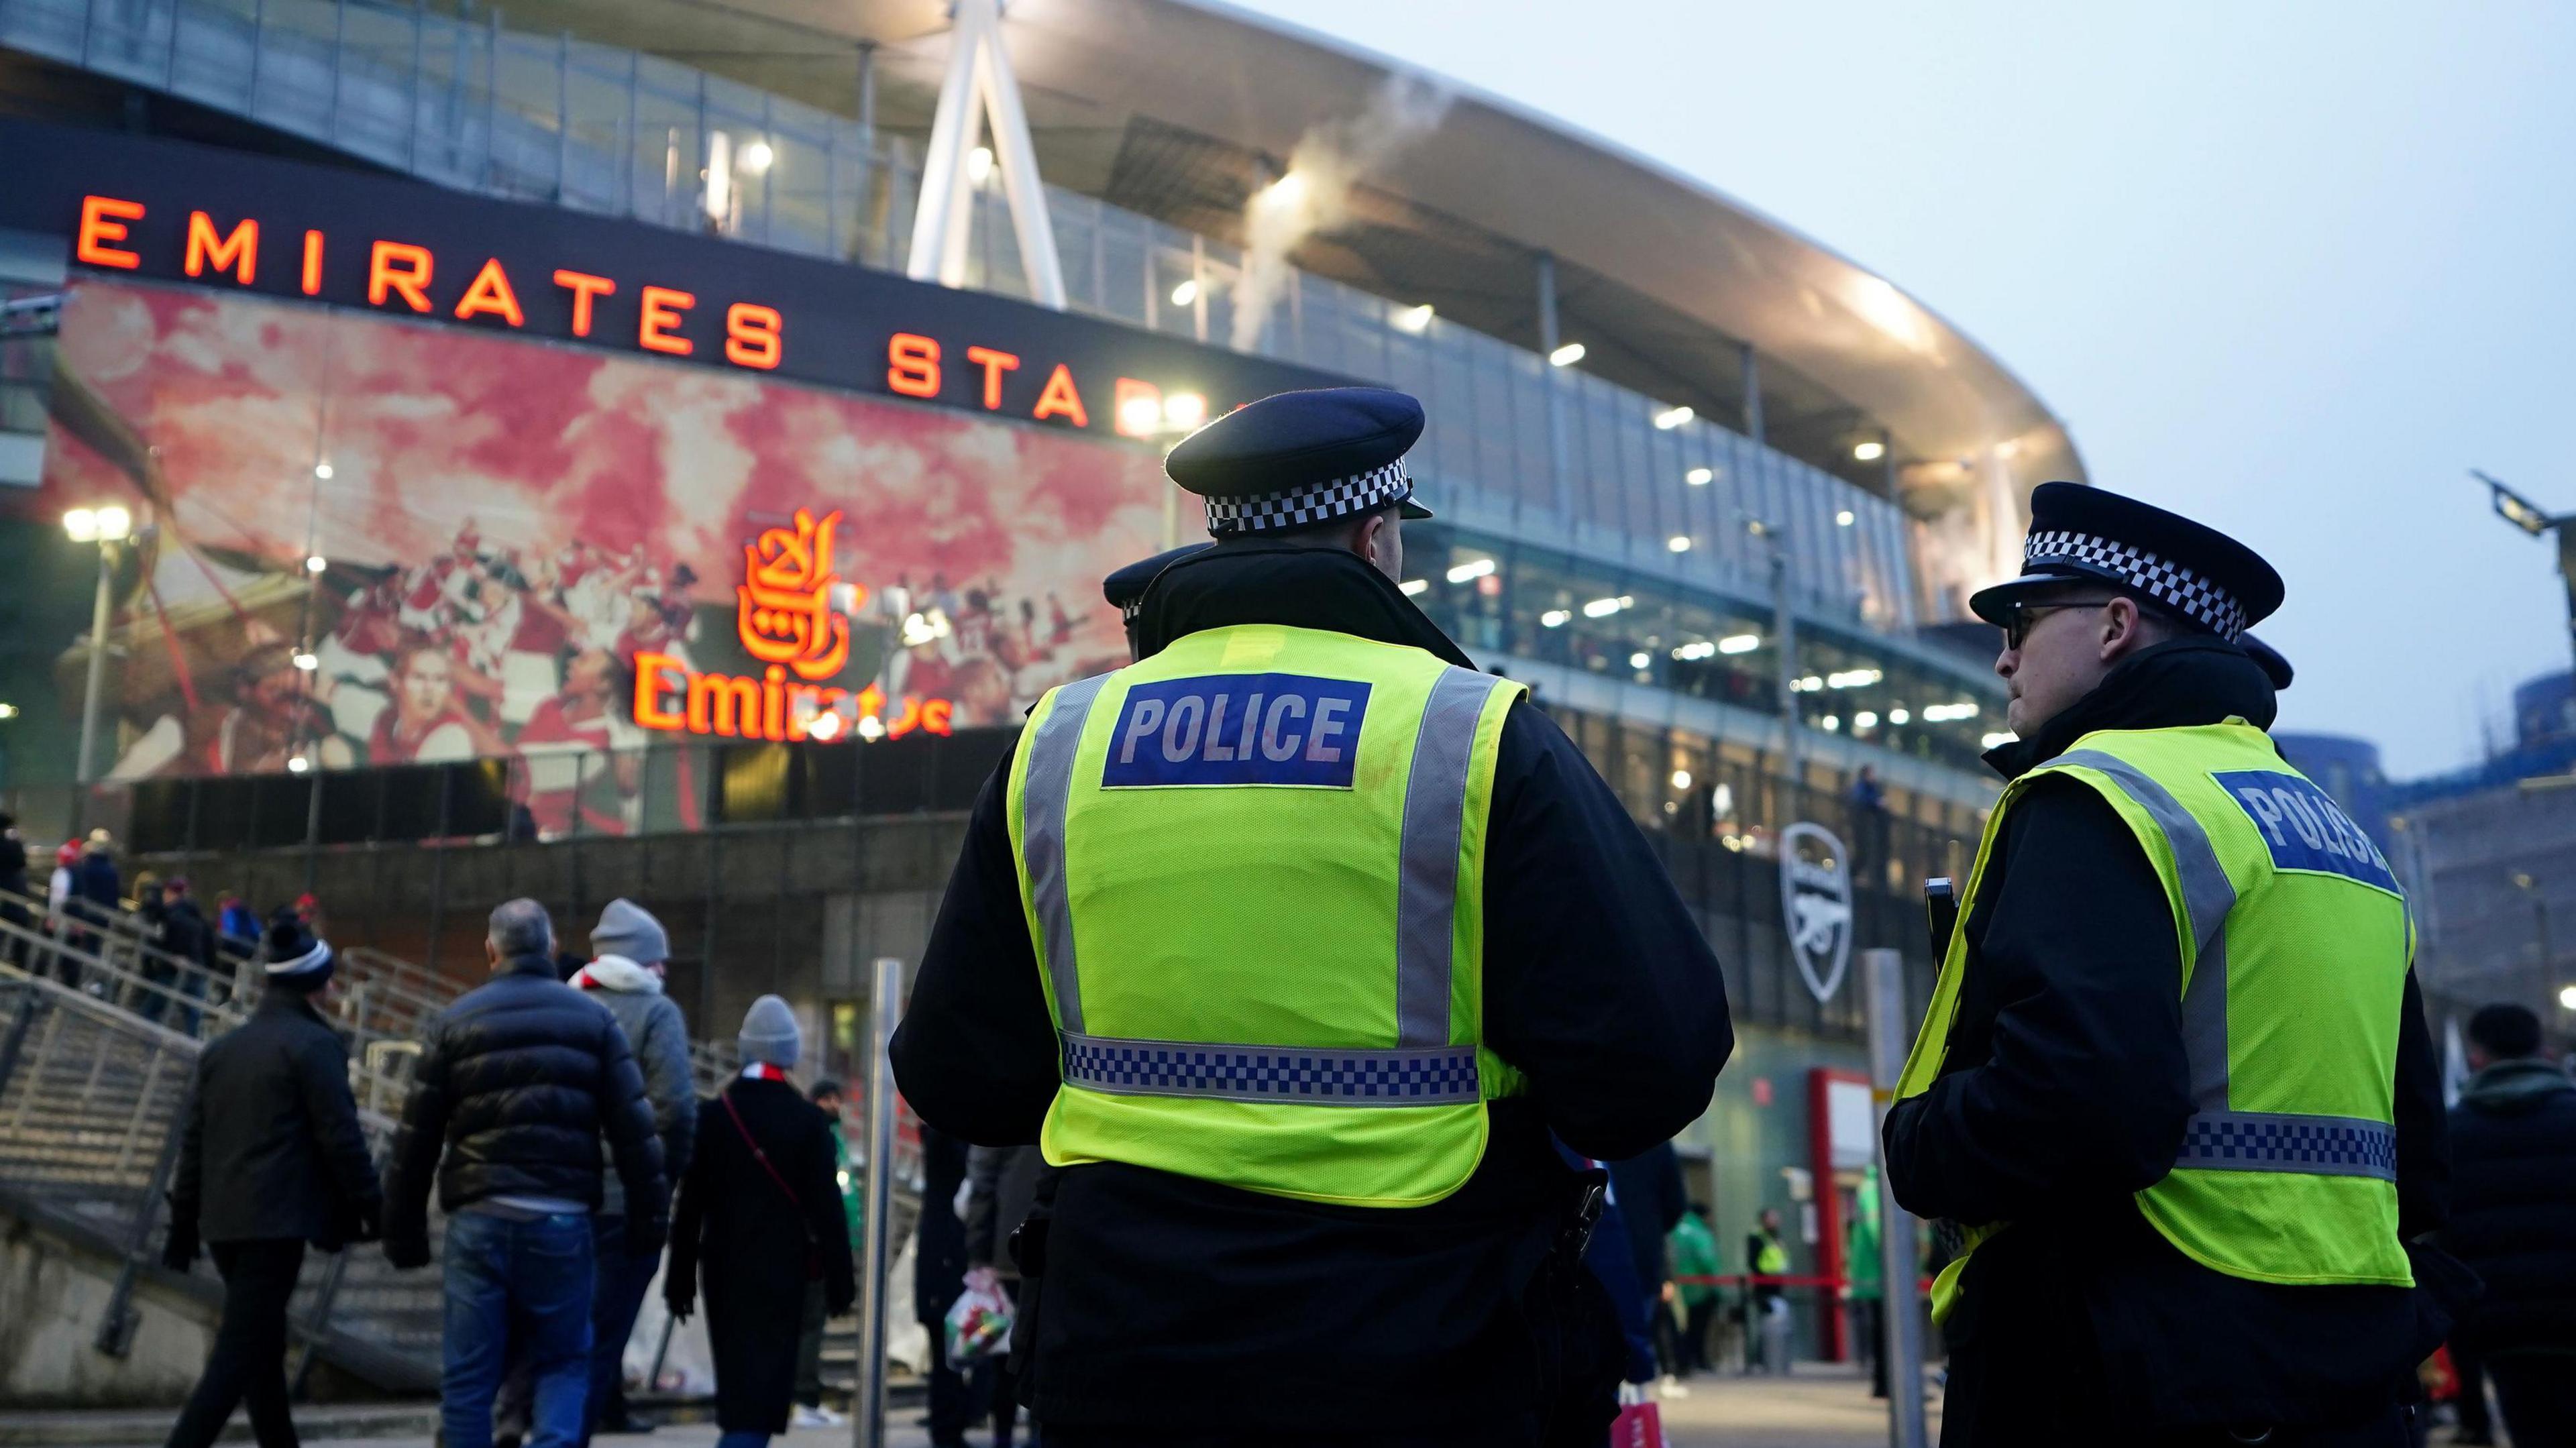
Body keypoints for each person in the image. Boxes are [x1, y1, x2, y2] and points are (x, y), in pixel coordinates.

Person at [889, 386, 1734, 1447]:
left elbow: (957, 1071)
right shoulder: (1469, 734)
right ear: (1377, 537)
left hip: (1120, 1361)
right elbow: (1657, 1061)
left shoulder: (1060, 741)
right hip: (1418, 1356)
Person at [1881, 482, 2454, 1445]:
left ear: (2113, 624)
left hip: (2126, 1363)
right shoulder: (2340, 835)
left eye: (2025, 618)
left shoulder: (2098, 795)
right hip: (2348, 1377)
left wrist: (1918, 1139)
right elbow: (2422, 1160)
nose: (2005, 654)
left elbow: (2078, 1103)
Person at [381, 899, 667, 1448]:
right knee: (563, 1359)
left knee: (468, 1376)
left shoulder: (453, 1021)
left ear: (492, 950)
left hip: (478, 1216)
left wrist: (403, 1231)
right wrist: (649, 1220)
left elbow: (415, 1139)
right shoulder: (594, 1020)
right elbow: (636, 1133)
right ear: (552, 949)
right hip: (561, 1220)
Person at [162, 913, 382, 1448]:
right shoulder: (313, 1046)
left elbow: (194, 1142)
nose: (333, 986)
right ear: (314, 984)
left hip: (223, 1222)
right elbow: (340, 1137)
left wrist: (183, 1221)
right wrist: (375, 1206)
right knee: (239, 1354)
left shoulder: (224, 1048)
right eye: (328, 978)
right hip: (276, 1220)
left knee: (261, 1349)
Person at [665, 997, 857, 1448]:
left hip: (723, 1269)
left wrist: (679, 1280)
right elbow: (828, 1209)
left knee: (738, 1386)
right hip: (784, 1270)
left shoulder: (713, 1116)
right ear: (789, 1053)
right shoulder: (809, 1121)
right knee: (768, 1389)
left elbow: (690, 1204)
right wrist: (841, 1281)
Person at [570, 899, 697, 1441]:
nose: (663, 970)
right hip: (627, 1196)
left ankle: (607, 1409)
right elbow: (676, 1107)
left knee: (580, 1321)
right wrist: (663, 1177)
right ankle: (578, 1425)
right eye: (657, 959)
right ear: (638, 961)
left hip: (568, 1193)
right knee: (607, 1323)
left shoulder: (568, 1001)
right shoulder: (655, 1011)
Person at [2442, 1003, 2576, 1445]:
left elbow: (2445, 1240)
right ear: (2541, 1047)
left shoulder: (2453, 1134)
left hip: (2503, 1331)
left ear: (2478, 1054)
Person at [962, 1144, 1044, 1448]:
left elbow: (982, 1185)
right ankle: (1038, 1435)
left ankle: (1003, 1437)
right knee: (1045, 1351)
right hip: (1055, 1249)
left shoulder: (1000, 1117)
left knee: (1006, 1357)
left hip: (1008, 1253)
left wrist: (979, 1254)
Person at [790, 1078, 855, 1430]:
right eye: (826, 1099)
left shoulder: (833, 1139)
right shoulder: (819, 1138)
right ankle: (802, 1396)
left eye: (837, 1098)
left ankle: (804, 1395)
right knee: (809, 1326)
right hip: (812, 1248)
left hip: (816, 1244)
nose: (833, 1105)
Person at [912, 1123, 975, 1448]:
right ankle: (949, 1428)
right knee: (948, 1359)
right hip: (947, 1266)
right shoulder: (947, 1141)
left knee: (951, 1358)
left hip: (945, 1265)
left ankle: (955, 1422)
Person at [1607, 1144, 1687, 1392]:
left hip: (1596, 1250)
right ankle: (1632, 1414)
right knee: (1635, 1340)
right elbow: (1675, 1203)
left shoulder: (1586, 1123)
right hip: (1643, 1254)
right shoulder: (1658, 1138)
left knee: (1597, 1347)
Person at [1844, 1170, 1886, 1399]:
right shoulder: (1875, 1187)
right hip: (1879, 1276)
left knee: (1881, 1333)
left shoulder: (1866, 1187)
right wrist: (1896, 1259)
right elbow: (1878, 1230)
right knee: (1886, 1333)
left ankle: (1884, 1383)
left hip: (1870, 1275)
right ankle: (1887, 1384)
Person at [1667, 1204, 1720, 1378]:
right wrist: (1717, 1286)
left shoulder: (1674, 1230)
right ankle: (1699, 1361)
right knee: (1699, 1328)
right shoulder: (1700, 1234)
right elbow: (1707, 1261)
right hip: (1700, 1287)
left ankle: (1682, 1362)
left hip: (1677, 1286)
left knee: (1680, 1327)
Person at [1744, 1208, 1791, 1376]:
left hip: (1777, 1284)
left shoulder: (1776, 1236)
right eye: (1773, 1217)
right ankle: (1761, 1359)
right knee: (1766, 1324)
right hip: (1763, 1286)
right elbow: (1753, 1262)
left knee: (1775, 1324)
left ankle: (1771, 1360)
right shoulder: (1757, 1237)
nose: (1776, 1220)